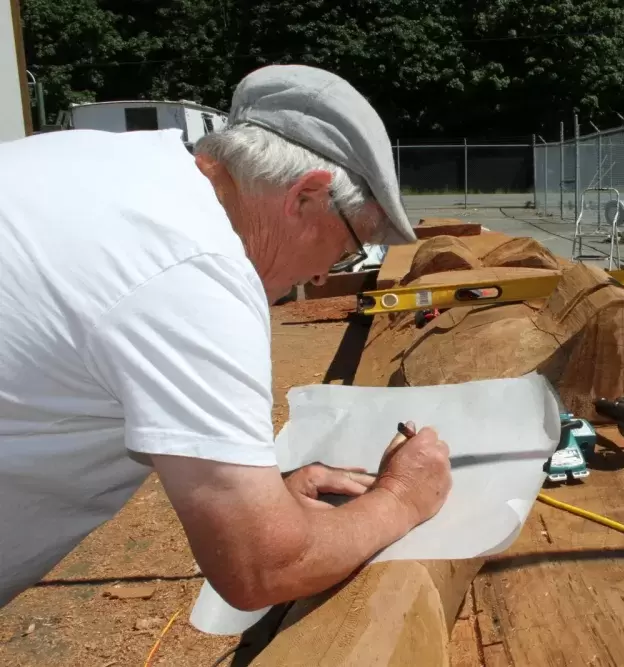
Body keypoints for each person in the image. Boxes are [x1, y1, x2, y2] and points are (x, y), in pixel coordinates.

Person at [0, 65, 453, 610]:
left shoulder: (109, 162)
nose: (321, 277)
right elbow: (261, 569)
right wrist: (401, 499)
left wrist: (260, 494)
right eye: (347, 247)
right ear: (307, 195)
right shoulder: (195, 270)